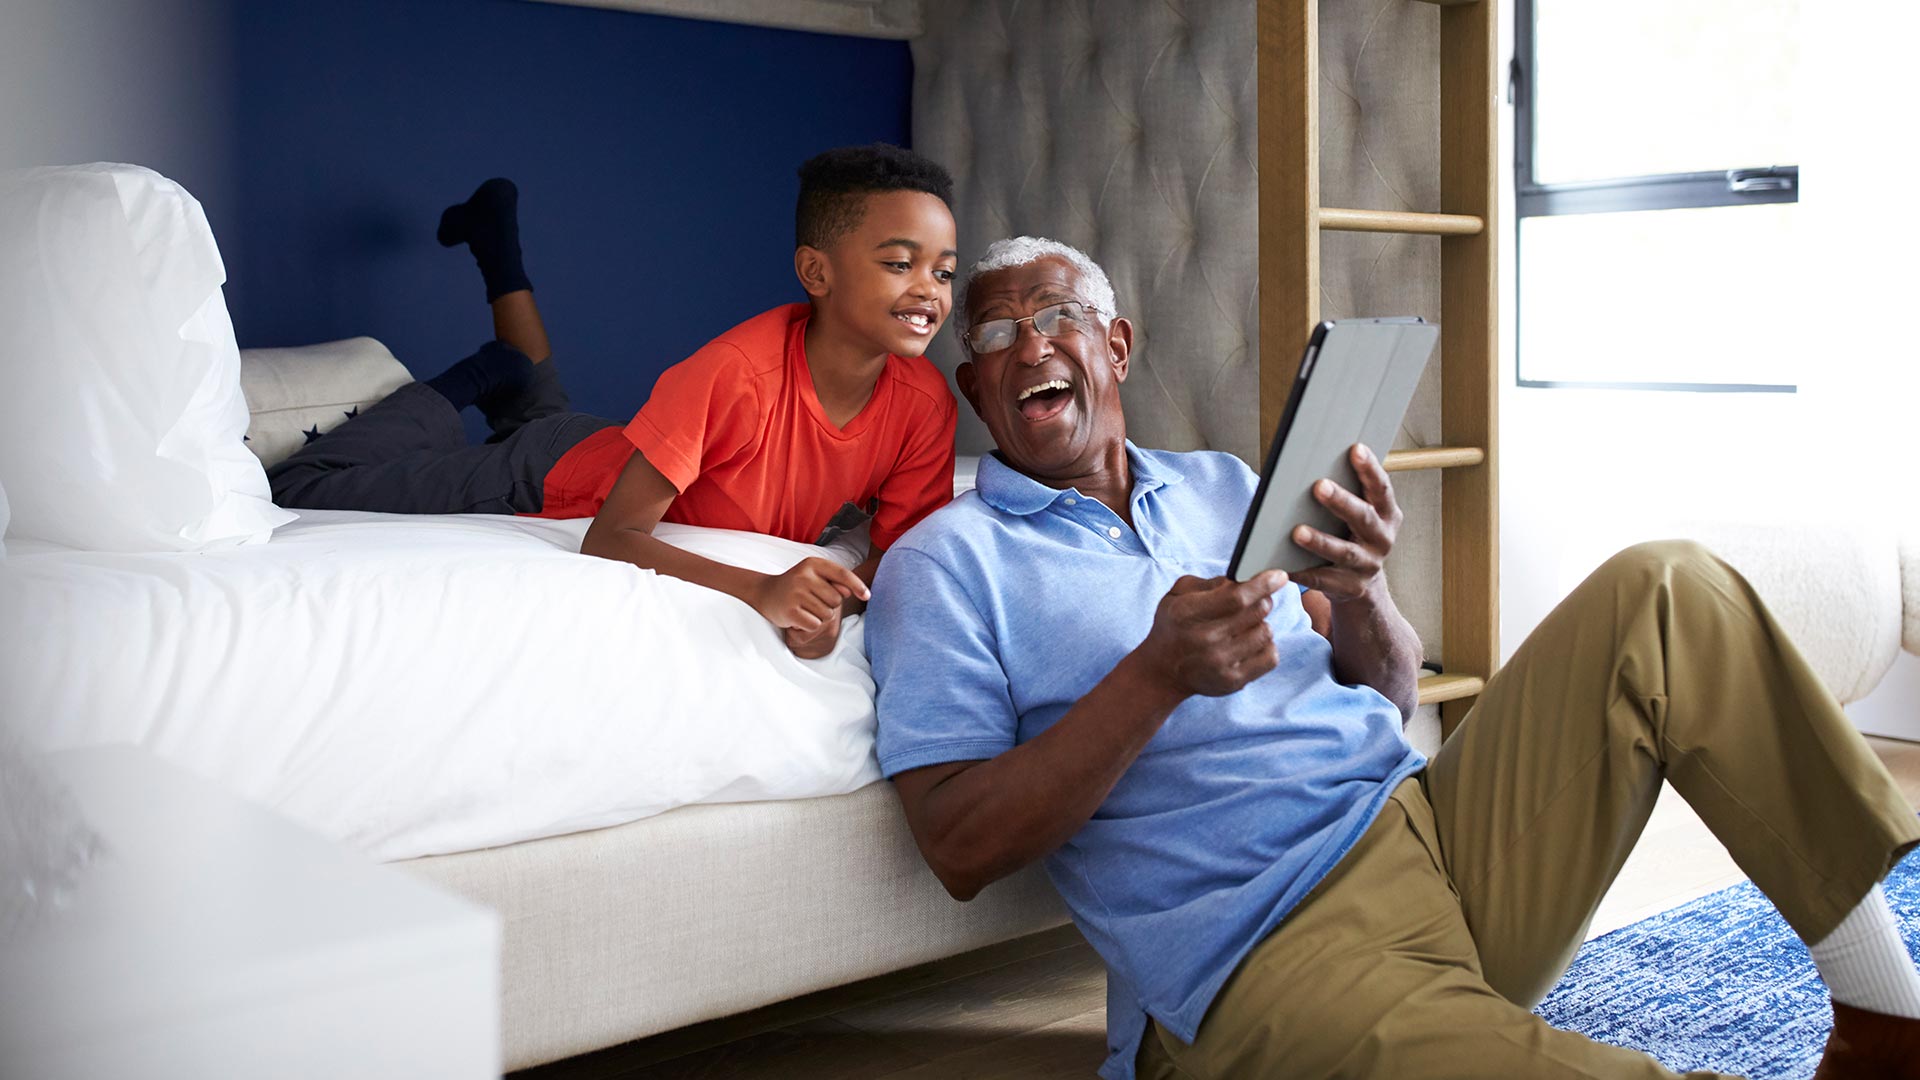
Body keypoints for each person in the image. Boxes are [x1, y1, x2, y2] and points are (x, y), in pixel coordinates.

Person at [864, 235, 1920, 1079]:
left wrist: (1363, 590)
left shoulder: (1226, 484)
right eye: (997, 333)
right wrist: (1153, 676)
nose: (1030, 346)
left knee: (1669, 586)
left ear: (1118, 346)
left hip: (1439, 837)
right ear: (972, 385)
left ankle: (1888, 1017)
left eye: (1058, 318)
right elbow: (957, 846)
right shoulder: (946, 566)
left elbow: (1385, 691)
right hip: (1266, 950)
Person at [270, 145, 961, 658]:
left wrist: (836, 603)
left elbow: (898, 556)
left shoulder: (924, 404)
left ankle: (496, 248)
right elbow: (612, 536)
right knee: (300, 484)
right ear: (817, 271)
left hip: (612, 446)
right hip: (552, 477)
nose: (929, 289)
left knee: (543, 411)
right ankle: (483, 374)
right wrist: (762, 590)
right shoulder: (735, 375)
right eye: (900, 264)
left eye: (944, 270)